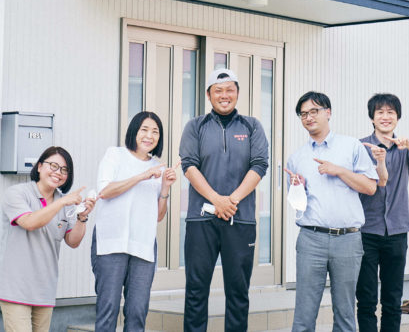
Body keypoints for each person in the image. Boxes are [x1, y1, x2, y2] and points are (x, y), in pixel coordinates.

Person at [179, 68, 269, 332]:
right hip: (201, 220)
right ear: (209, 95)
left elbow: (260, 165)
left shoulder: (252, 126)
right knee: (196, 290)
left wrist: (231, 201)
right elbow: (189, 166)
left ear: (238, 93)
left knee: (238, 291)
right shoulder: (195, 126)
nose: (224, 95)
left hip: (240, 220)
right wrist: (216, 200)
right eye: (218, 90)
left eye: (230, 89)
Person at [285, 91, 378, 332]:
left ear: (328, 112)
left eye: (313, 111)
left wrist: (340, 171)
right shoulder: (297, 158)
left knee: (345, 313)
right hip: (311, 239)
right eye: (303, 114)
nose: (308, 117)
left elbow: (370, 187)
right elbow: (297, 204)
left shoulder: (351, 146)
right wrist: (298, 188)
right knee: (304, 315)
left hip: (347, 239)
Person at [91, 111, 177, 332]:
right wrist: (142, 176)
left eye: (155, 132)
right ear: (134, 131)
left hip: (143, 244)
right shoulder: (115, 155)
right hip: (111, 242)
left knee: (138, 311)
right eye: (144, 130)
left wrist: (165, 187)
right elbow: (105, 191)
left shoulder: (157, 167)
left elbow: (158, 216)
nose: (149, 136)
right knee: (108, 308)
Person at [0, 146, 95, 332]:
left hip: (45, 290)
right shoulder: (17, 193)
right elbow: (29, 222)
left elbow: (73, 241)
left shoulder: (65, 203)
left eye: (64, 170)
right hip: (15, 288)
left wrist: (82, 218)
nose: (58, 172)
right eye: (53, 166)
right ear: (39, 167)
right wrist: (62, 202)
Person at [356, 93, 409, 332]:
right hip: (366, 231)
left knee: (392, 300)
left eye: (391, 112)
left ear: (398, 117)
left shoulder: (405, 147)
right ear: (372, 118)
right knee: (366, 299)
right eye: (380, 112)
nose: (385, 117)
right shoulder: (360, 147)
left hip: (397, 231)